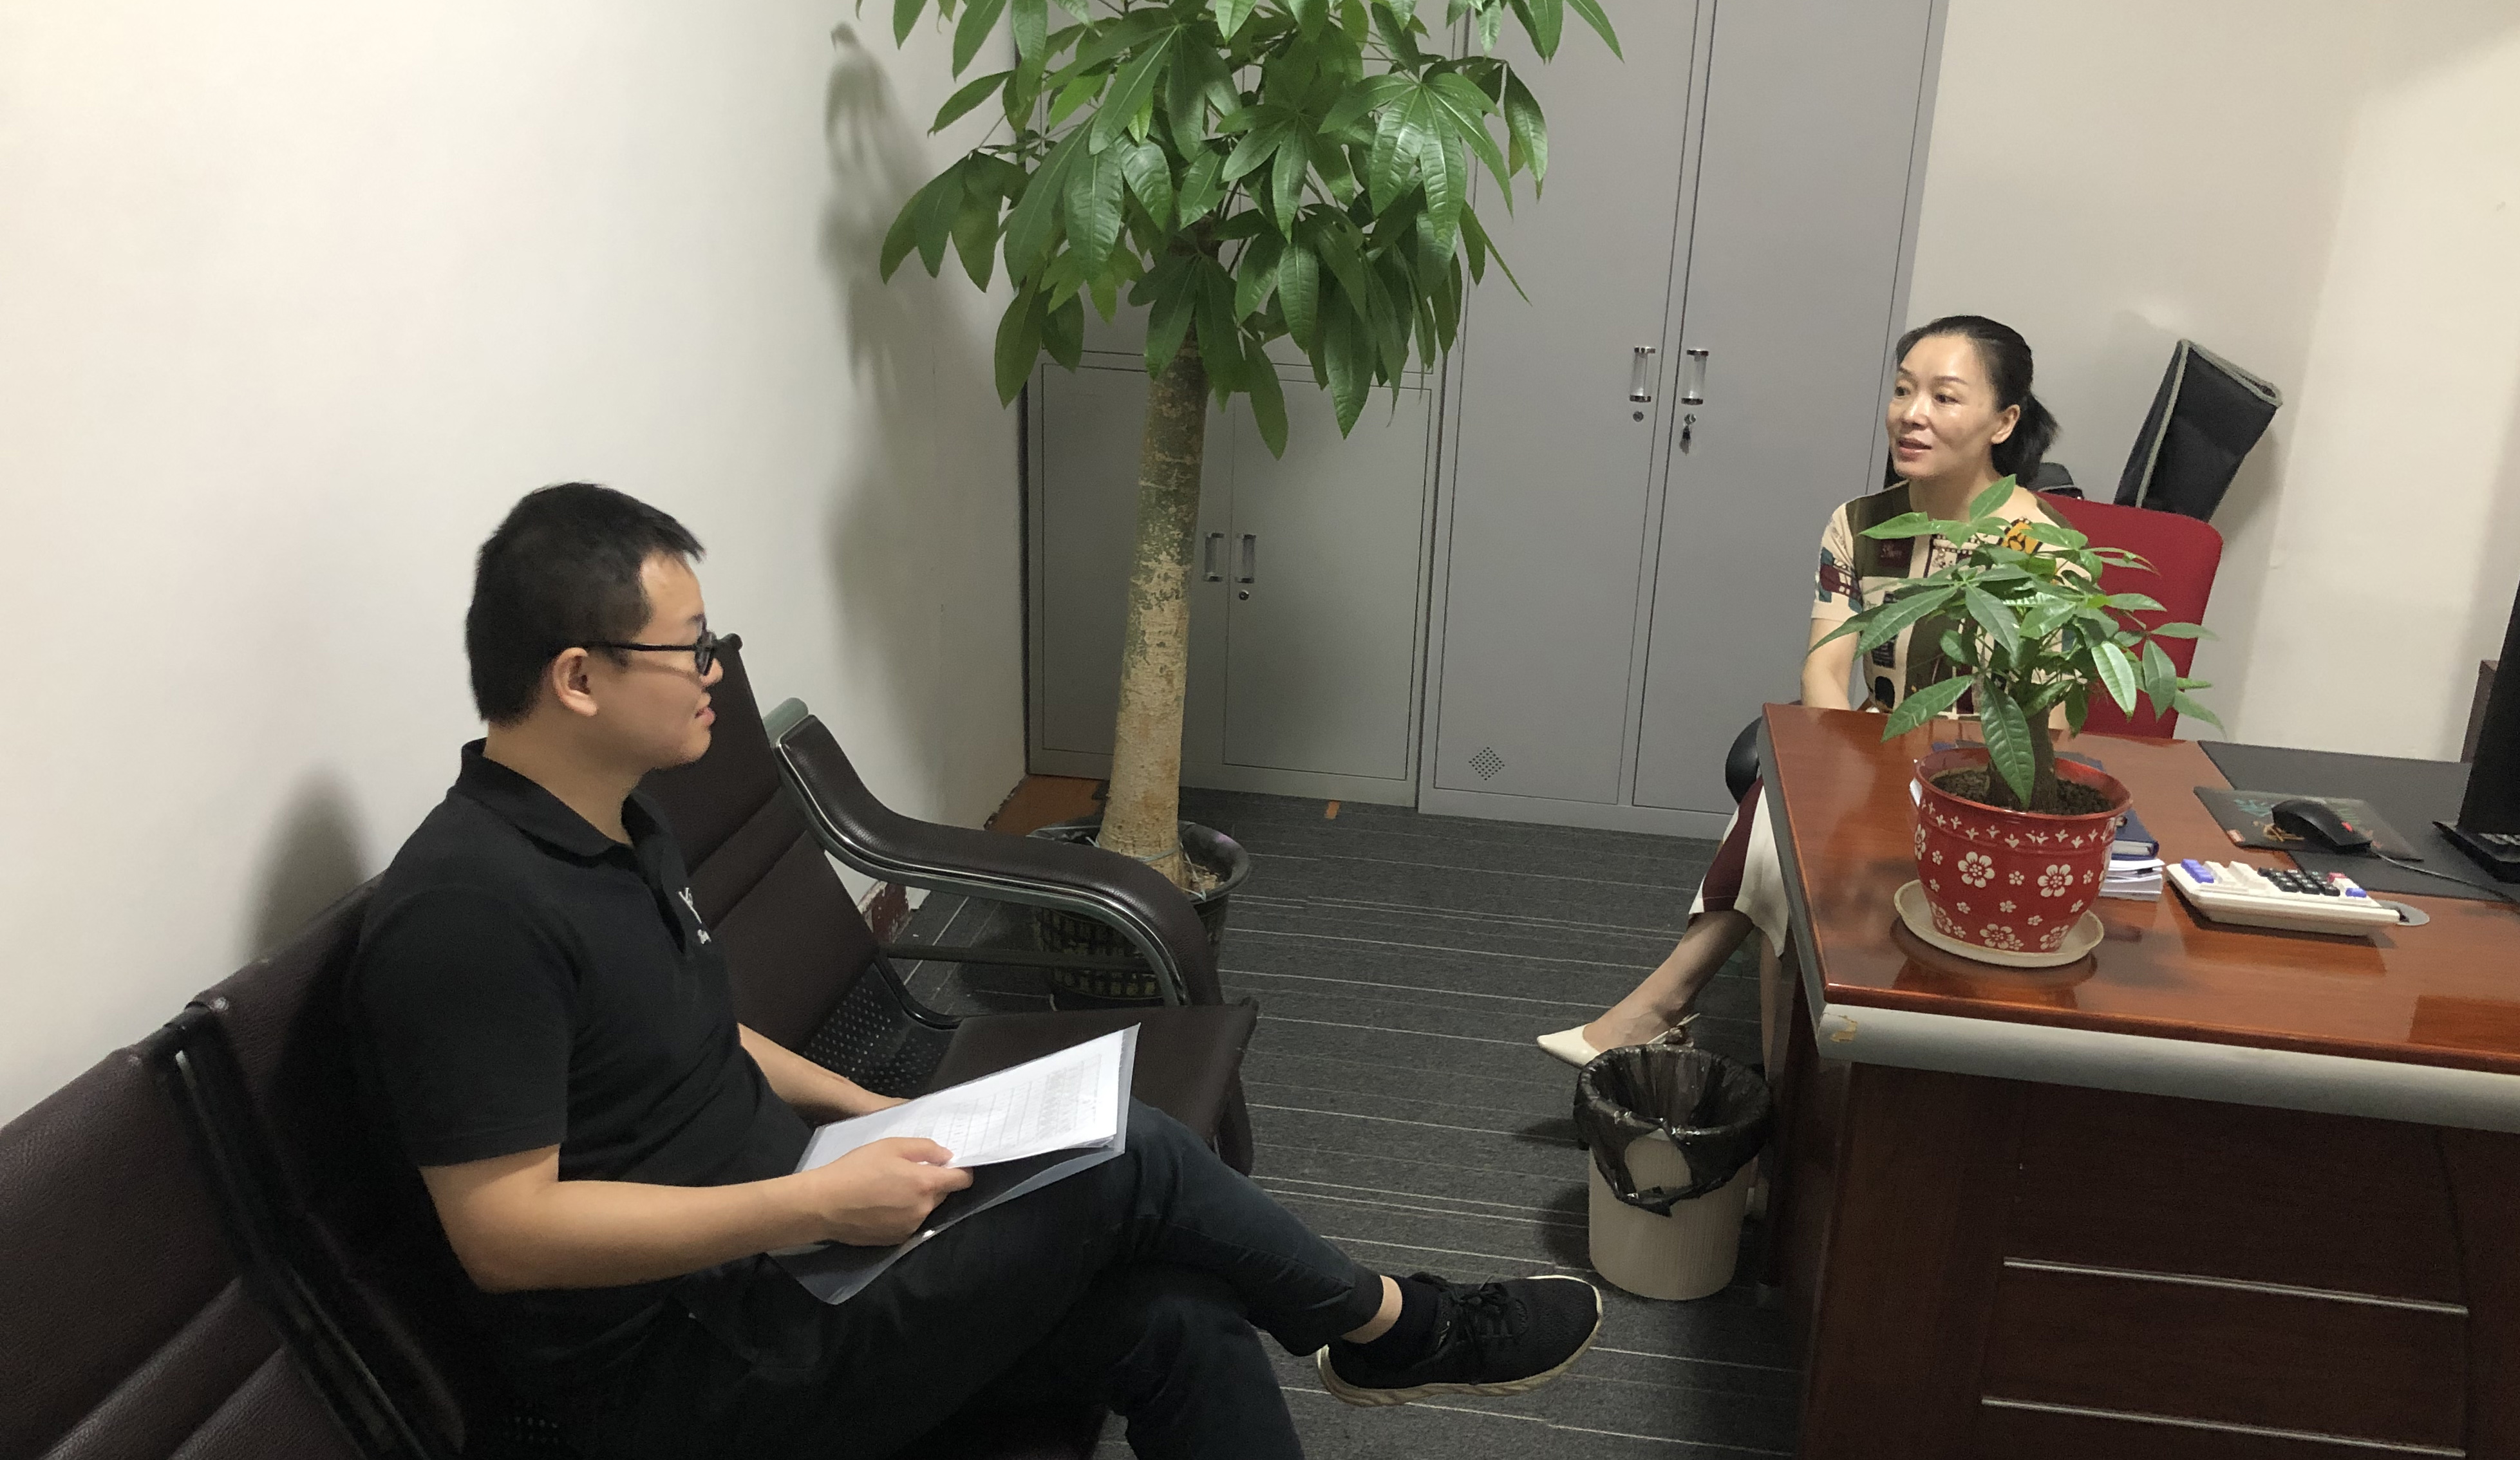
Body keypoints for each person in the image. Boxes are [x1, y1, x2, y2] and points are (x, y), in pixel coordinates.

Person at [348, 483, 1602, 1460]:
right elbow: (505, 1233)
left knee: (1181, 1314)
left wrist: (880, 1113)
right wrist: (810, 1207)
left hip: (794, 1261)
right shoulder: (467, 915)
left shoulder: (619, 821)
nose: (715, 671)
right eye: (691, 648)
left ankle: (1385, 1330)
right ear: (577, 677)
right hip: (691, 1375)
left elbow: (696, 1029)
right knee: (1136, 1151)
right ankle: (1398, 1328)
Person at [1537, 315, 2067, 1065]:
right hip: (1875, 748)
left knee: (1774, 825)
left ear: (2003, 422)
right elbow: (1824, 665)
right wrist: (1838, 770)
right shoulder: (1861, 524)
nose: (1912, 414)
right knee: (1789, 809)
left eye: (1945, 398)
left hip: (1976, 787)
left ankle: (1673, 1014)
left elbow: (2048, 721)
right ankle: (1773, 1079)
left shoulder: (2039, 548)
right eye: (1903, 391)